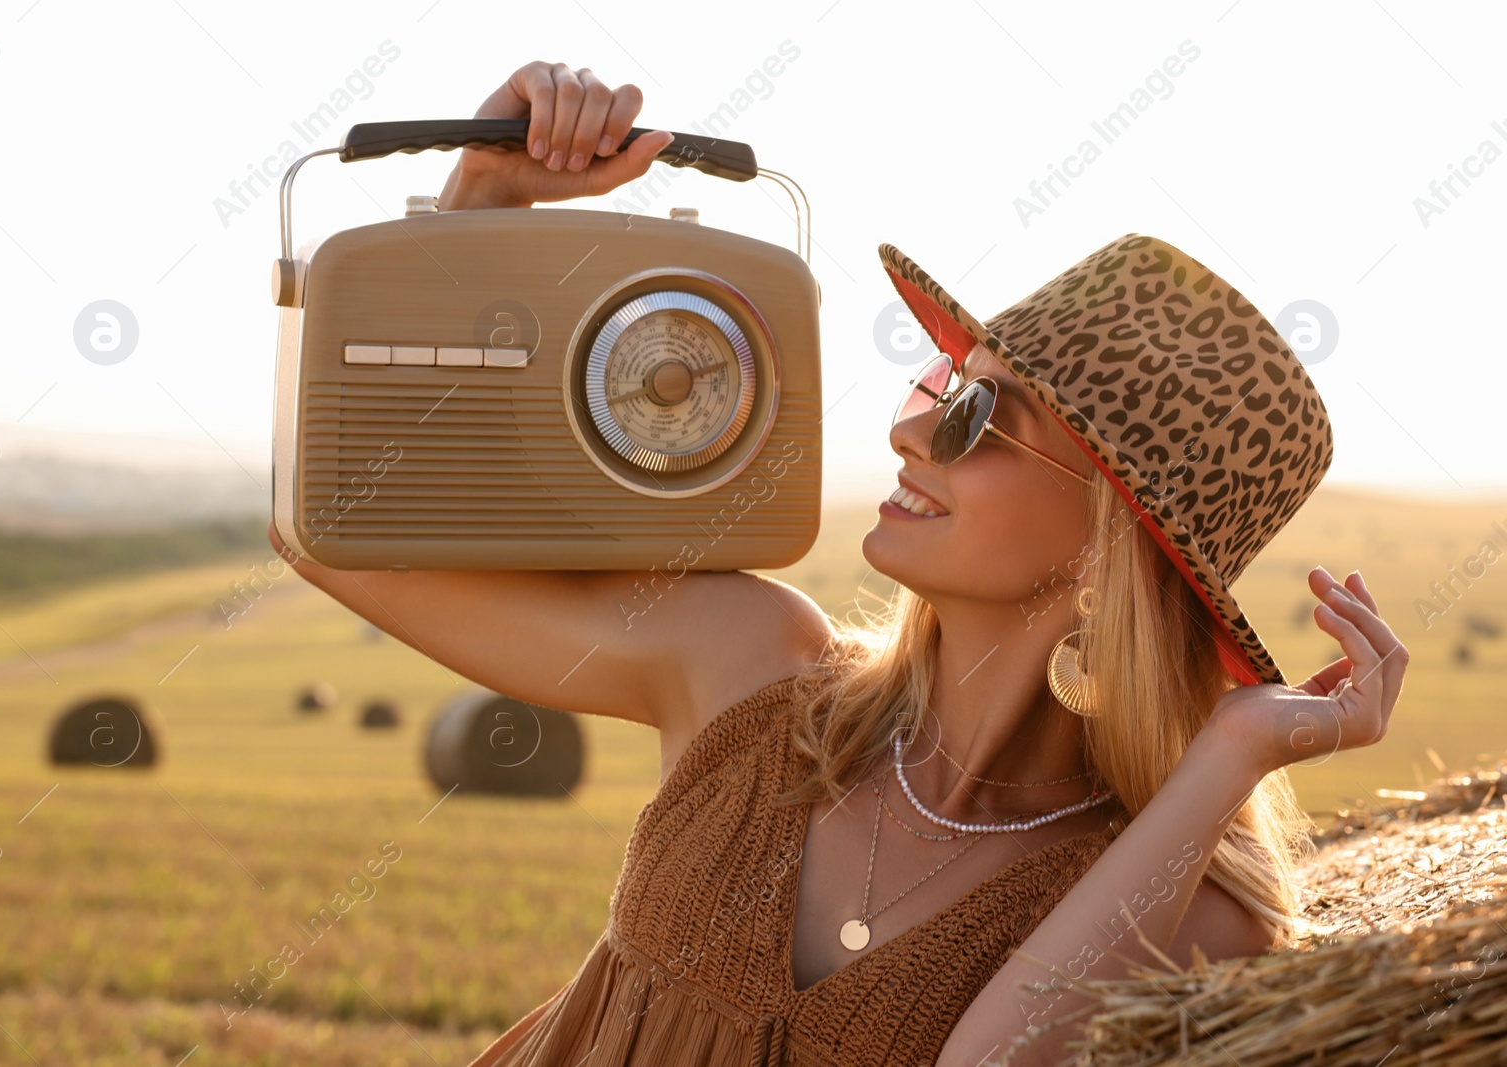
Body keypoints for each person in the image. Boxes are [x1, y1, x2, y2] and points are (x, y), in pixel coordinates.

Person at [269, 60, 1409, 1067]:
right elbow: (340, 536)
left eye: (977, 416)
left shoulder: (1190, 914)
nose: (913, 431)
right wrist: (479, 229)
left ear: (1115, 543)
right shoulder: (753, 672)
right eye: (938, 387)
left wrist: (1232, 756)